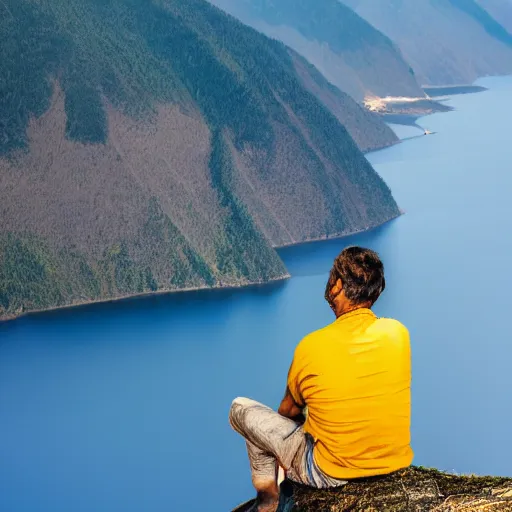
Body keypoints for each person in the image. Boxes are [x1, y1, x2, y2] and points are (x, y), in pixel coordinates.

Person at [229, 247, 413, 512]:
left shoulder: (312, 346)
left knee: (240, 409)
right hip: (392, 463)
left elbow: (287, 413)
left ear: (337, 285)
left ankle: (268, 501)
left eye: (332, 277)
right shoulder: (398, 333)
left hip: (331, 472)